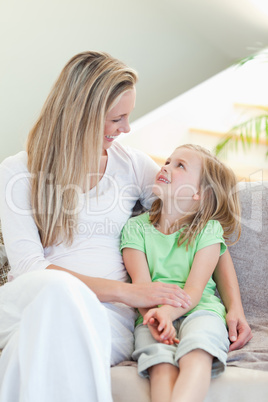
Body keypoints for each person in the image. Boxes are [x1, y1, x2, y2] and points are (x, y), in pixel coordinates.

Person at [0, 52, 251, 402]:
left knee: (37, 344)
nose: (127, 129)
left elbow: (201, 227)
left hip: (105, 316)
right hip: (37, 297)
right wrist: (130, 293)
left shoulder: (130, 165)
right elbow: (29, 268)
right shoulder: (17, 172)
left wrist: (234, 306)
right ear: (82, 116)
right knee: (56, 294)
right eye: (117, 118)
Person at [120, 144, 248, 402]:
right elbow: (141, 289)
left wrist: (168, 312)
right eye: (168, 161)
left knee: (196, 354)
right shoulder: (134, 229)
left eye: (180, 165)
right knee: (160, 366)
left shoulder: (209, 231)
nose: (166, 166)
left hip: (200, 310)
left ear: (199, 193)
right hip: (151, 315)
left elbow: (194, 290)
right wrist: (155, 319)